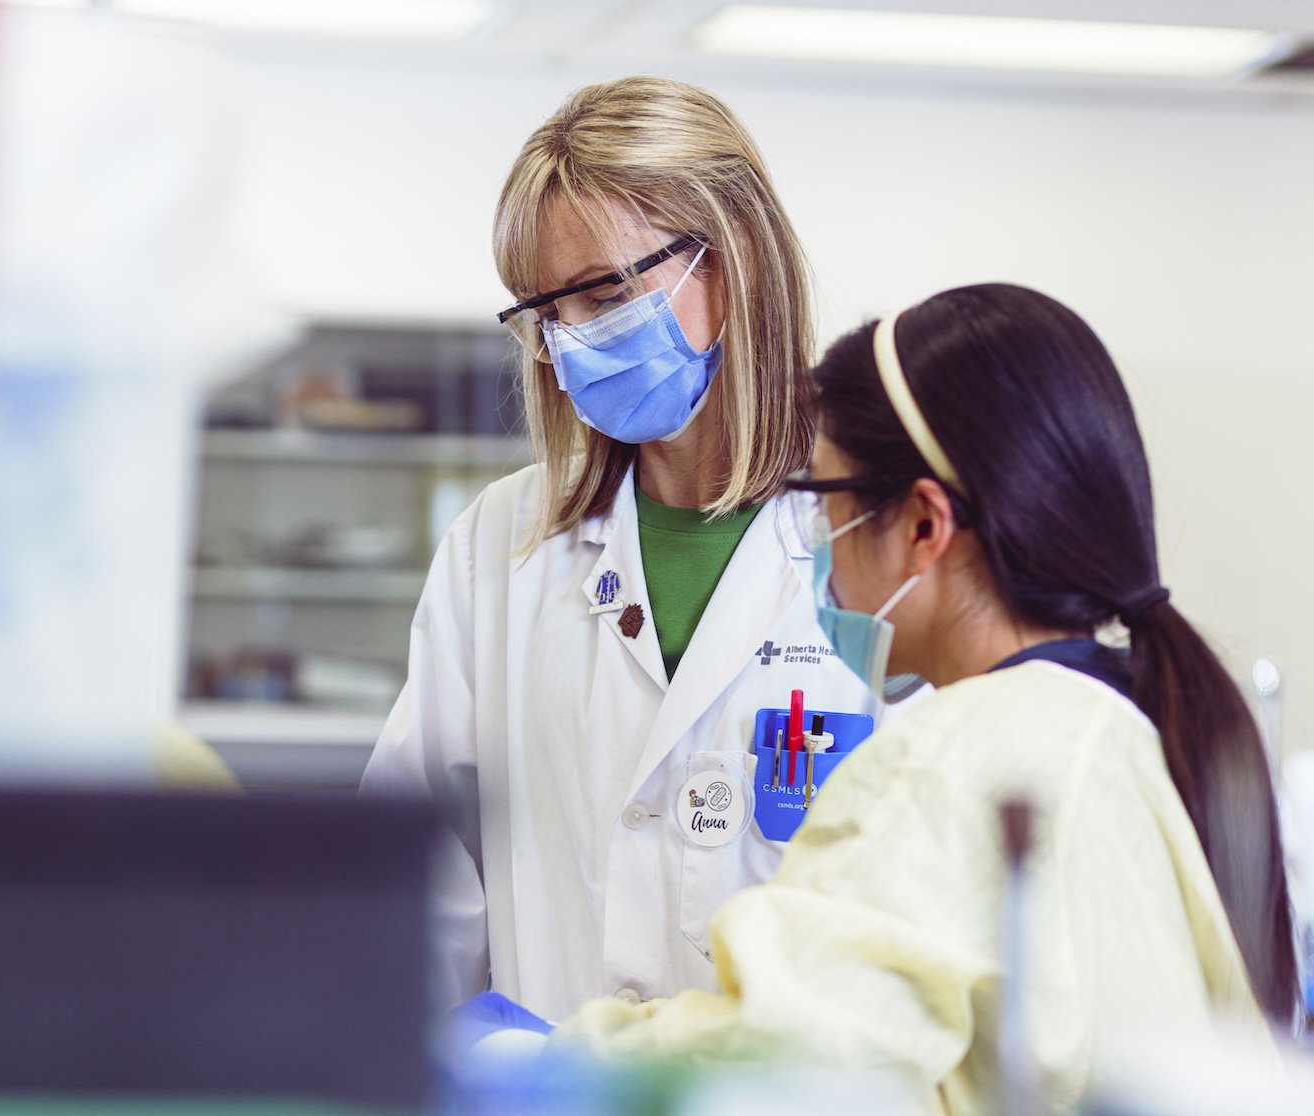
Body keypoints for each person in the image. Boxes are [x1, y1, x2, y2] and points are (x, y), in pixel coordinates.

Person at [547, 283, 1295, 1113]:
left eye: (824, 507)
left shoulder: (952, 759)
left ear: (924, 527)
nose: (818, 552)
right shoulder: (1124, 734)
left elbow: (773, 1057)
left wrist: (549, 1060)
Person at [359, 76, 899, 1021]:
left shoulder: (878, 537)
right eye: (544, 312)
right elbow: (411, 879)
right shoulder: (501, 546)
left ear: (734, 258)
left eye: (604, 292)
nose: (571, 342)